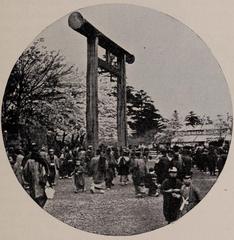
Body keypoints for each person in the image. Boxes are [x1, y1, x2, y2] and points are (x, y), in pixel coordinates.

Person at [23, 143, 51, 208]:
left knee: (36, 195)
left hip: (37, 181)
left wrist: (28, 179)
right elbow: (47, 170)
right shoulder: (41, 160)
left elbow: (25, 172)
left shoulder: (29, 160)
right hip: (39, 181)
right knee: (39, 195)